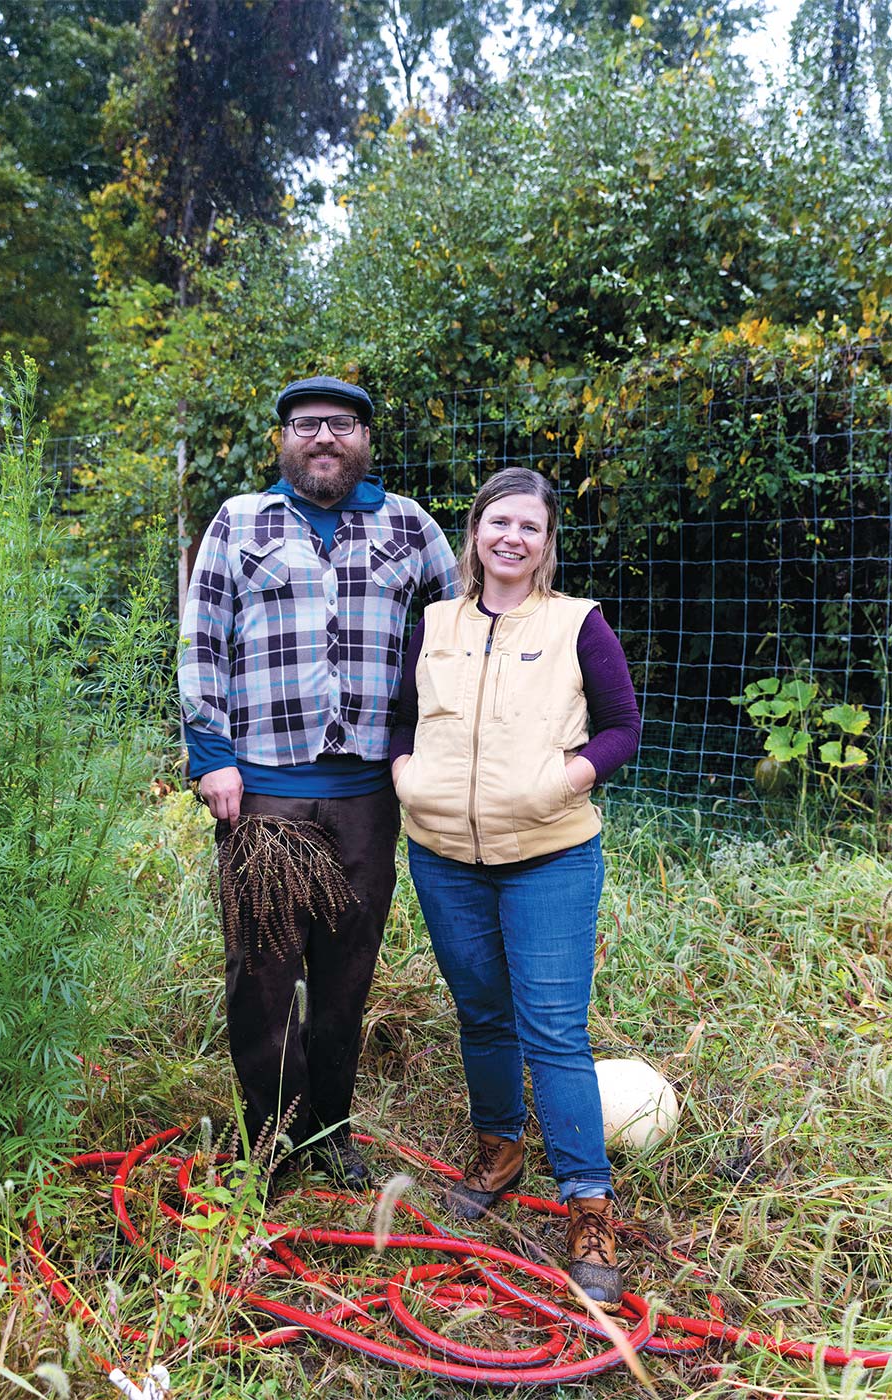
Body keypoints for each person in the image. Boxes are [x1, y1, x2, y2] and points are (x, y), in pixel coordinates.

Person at [179, 375, 458, 1185]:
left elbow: (465, 624)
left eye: (342, 424)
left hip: (369, 795)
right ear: (283, 439)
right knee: (263, 974)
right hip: (262, 791)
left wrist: (429, 736)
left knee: (346, 971)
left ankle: (331, 1133)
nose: (324, 438)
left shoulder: (409, 526)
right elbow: (202, 638)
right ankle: (270, 1142)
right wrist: (212, 755)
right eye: (307, 425)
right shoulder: (240, 521)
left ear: (366, 439)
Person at [389, 466, 641, 1309]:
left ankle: (587, 1204)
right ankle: (498, 1150)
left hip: (548, 855)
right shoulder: (435, 623)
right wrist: (406, 777)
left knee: (554, 1031)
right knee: (482, 1013)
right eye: (500, 522)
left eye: (529, 527)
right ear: (476, 532)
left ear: (546, 543)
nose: (513, 538)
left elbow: (623, 727)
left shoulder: (577, 623)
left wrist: (562, 784)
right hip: (442, 855)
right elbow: (400, 718)